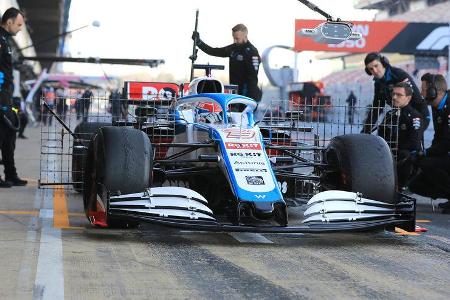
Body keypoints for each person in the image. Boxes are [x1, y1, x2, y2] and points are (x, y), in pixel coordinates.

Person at [409, 73, 450, 213]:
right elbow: (438, 137)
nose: (421, 92)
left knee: (427, 163)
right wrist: (425, 153)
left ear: (433, 91)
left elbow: (446, 143)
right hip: (445, 152)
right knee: (415, 185)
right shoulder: (436, 105)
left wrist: (426, 153)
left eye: (424, 89)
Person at [362, 52, 430, 134]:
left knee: (409, 142)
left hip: (418, 113)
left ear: (383, 63)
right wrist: (365, 130)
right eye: (371, 69)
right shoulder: (378, 83)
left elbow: (416, 99)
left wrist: (413, 120)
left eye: (376, 66)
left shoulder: (399, 75)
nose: (375, 71)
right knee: (383, 131)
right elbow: (377, 108)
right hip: (400, 113)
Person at [192, 24, 262, 102]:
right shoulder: (233, 49)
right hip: (235, 93)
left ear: (245, 36)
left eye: (237, 38)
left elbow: (252, 77)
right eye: (233, 38)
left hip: (248, 96)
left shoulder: (252, 52)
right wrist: (199, 42)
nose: (235, 41)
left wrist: (246, 97)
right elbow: (213, 51)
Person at [0, 7, 27, 187]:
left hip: (7, 96)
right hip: (1, 95)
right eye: (18, 24)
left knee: (10, 134)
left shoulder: (6, 41)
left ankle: (11, 174)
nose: (20, 28)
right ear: (8, 22)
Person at [387, 82, 424, 188]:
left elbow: (415, 143)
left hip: (404, 156)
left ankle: (399, 187)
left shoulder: (414, 116)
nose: (394, 97)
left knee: (405, 155)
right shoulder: (390, 115)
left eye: (399, 95)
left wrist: (394, 150)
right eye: (393, 94)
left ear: (408, 98)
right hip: (388, 153)